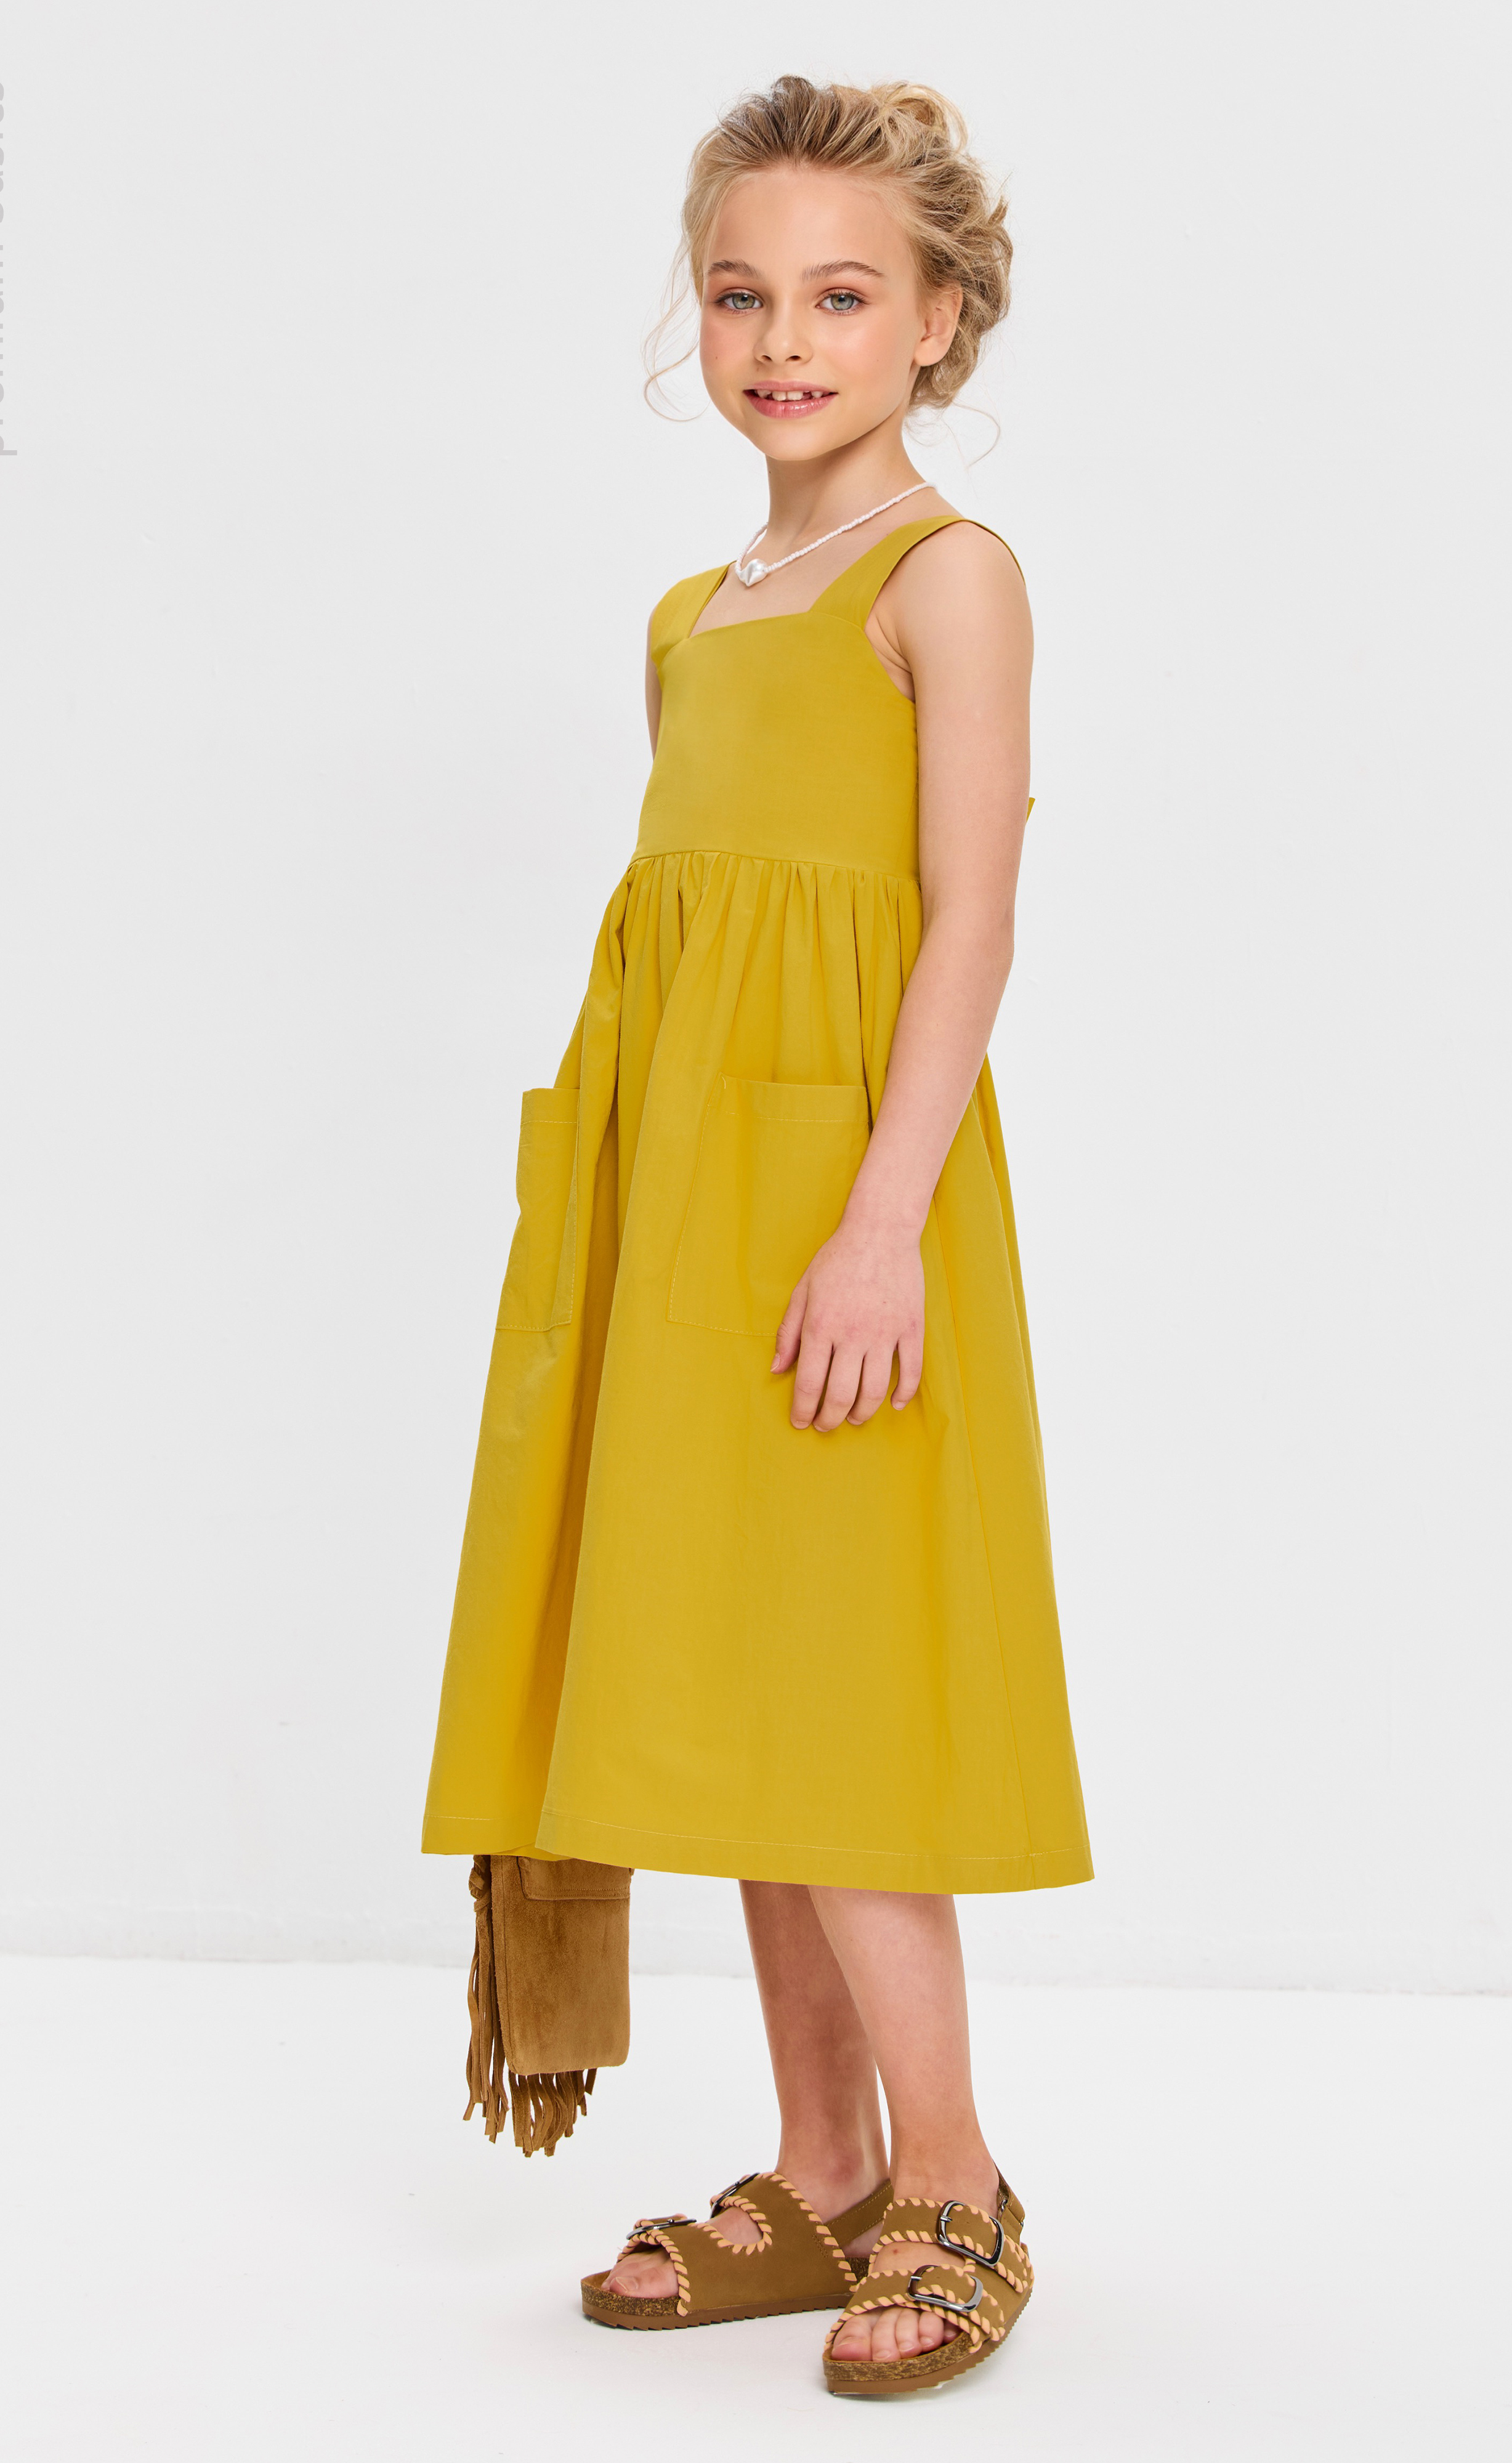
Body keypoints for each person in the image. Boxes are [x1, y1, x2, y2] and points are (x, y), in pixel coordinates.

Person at [422, 73, 1091, 2398]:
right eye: (740, 294)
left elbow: (967, 922)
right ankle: (825, 2168)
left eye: (840, 296)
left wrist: (882, 1223)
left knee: (841, 1695)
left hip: (845, 1208)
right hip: (687, 1210)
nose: (784, 341)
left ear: (940, 320)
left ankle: (956, 2177)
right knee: (731, 1674)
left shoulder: (949, 578)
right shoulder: (693, 616)